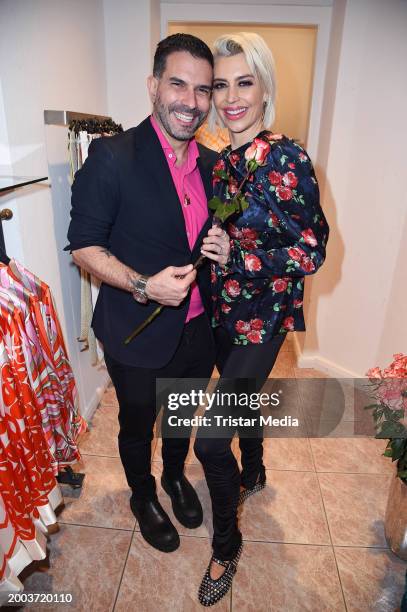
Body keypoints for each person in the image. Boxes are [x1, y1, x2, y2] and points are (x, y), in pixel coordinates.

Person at [66, 33, 230, 554]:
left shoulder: (210, 164)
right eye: (178, 83)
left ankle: (174, 477)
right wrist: (143, 284)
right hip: (134, 331)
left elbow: (198, 238)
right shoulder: (111, 157)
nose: (191, 101)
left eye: (203, 90)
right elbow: (83, 248)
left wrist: (220, 243)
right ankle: (142, 495)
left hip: (196, 329)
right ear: (153, 85)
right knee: (138, 423)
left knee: (180, 416)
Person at [193, 32, 329, 606]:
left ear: (265, 87)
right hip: (223, 315)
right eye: (221, 84)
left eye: (243, 82)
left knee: (207, 442)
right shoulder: (222, 158)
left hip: (263, 320)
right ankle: (256, 470)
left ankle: (226, 547)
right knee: (242, 401)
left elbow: (313, 249)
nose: (230, 97)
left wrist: (241, 257)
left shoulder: (287, 157)